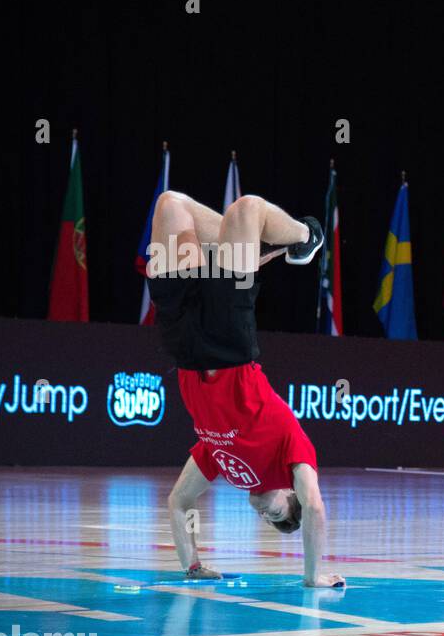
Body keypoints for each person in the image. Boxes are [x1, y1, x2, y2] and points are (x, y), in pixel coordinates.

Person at [146, 190, 343, 588]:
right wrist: (313, 575)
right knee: (247, 208)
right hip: (230, 343)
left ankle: (251, 250)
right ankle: (306, 236)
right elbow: (316, 507)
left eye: (265, 520)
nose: (261, 513)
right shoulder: (292, 452)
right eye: (274, 514)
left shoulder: (226, 464)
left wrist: (193, 564)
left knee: (170, 205)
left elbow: (179, 501)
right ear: (290, 492)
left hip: (183, 345)